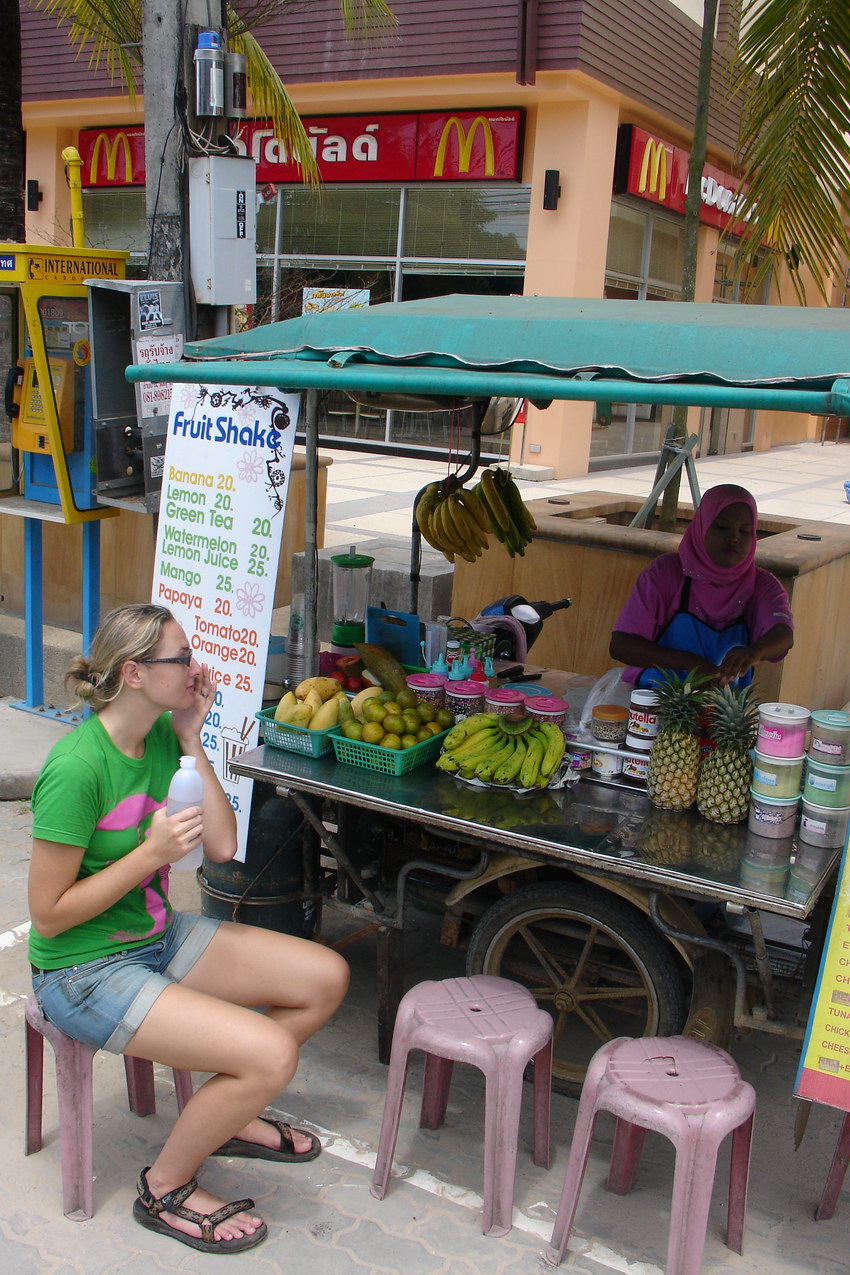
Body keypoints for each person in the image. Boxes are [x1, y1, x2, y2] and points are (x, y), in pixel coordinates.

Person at [27, 603, 349, 1255]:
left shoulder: (160, 743)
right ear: (135, 673)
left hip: (156, 937)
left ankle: (226, 1112)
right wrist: (147, 856)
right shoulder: (77, 768)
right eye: (180, 657)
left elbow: (225, 846)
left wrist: (193, 738)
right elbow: (49, 913)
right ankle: (166, 1184)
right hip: (83, 969)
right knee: (270, 1052)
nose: (195, 667)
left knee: (324, 977)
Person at [609, 484, 794, 690]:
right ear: (701, 526)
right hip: (650, 701)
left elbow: (783, 635)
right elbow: (621, 645)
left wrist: (756, 651)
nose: (734, 538)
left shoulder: (762, 585)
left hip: (721, 706)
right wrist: (690, 663)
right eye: (722, 527)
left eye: (744, 531)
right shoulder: (666, 572)